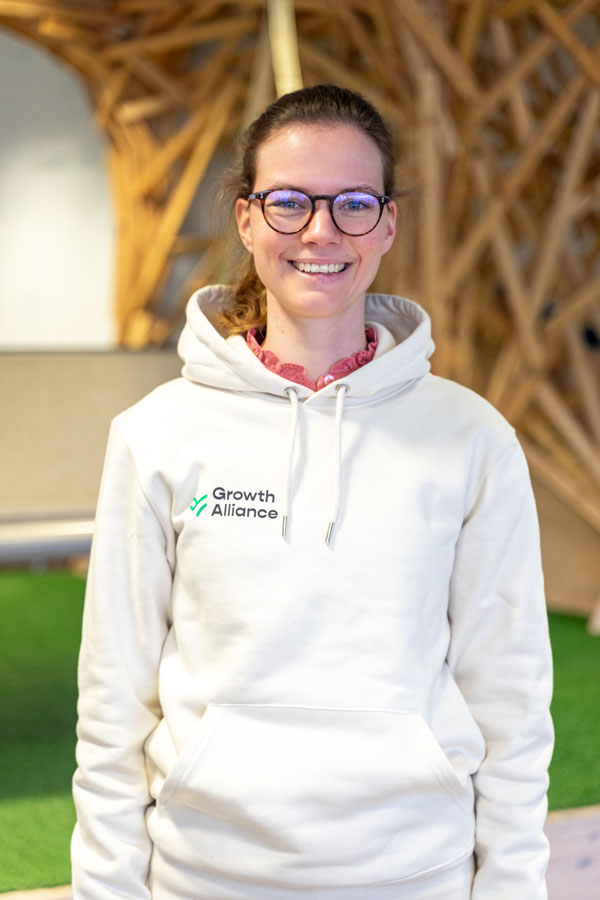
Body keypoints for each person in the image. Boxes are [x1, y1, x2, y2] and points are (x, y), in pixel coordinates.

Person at [71, 84, 553, 900]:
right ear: (247, 220)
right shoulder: (157, 434)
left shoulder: (471, 440)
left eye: (354, 203)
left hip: (415, 876)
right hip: (205, 878)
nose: (321, 231)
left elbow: (511, 701)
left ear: (388, 225)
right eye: (289, 202)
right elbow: (112, 704)